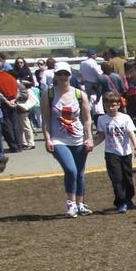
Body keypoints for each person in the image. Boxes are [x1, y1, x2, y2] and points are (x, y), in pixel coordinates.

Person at [42, 67, 94, 217]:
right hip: (59, 139)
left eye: (65, 73)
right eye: (60, 74)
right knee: (70, 170)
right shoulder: (49, 94)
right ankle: (71, 204)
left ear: (70, 76)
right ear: (55, 76)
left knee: (80, 172)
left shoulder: (79, 94)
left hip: (78, 139)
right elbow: (45, 119)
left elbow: (87, 118)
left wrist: (89, 137)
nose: (63, 76)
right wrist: (47, 139)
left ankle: (80, 204)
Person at [96, 92, 136, 213]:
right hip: (111, 153)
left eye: (114, 105)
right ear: (104, 106)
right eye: (108, 106)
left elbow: (131, 133)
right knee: (117, 179)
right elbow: (101, 135)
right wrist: (92, 144)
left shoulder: (125, 118)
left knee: (128, 179)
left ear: (118, 105)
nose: (111, 108)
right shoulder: (102, 119)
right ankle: (120, 203)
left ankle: (128, 199)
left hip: (125, 153)